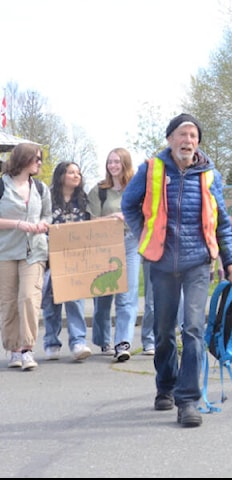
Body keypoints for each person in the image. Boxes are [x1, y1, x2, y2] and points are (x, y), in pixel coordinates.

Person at [122, 113, 232, 428]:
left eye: (193, 136)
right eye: (182, 135)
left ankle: (187, 400)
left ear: (198, 142)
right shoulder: (151, 169)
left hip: (197, 263)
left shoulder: (209, 174)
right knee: (163, 333)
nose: (187, 141)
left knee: (192, 329)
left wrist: (231, 259)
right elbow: (128, 205)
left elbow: (222, 222)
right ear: (170, 139)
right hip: (161, 263)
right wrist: (144, 236)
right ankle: (166, 386)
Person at [88, 147, 144, 361]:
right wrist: (112, 217)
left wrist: (128, 219)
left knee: (127, 296)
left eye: (117, 162)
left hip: (130, 243)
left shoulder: (136, 189)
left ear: (125, 164)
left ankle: (123, 342)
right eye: (110, 162)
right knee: (103, 297)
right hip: (105, 244)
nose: (112, 165)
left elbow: (145, 216)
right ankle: (103, 341)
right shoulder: (99, 191)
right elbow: (91, 222)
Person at [0, 143, 51, 371]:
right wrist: (19, 224)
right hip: (5, 252)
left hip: (35, 251)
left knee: (29, 298)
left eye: (40, 159)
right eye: (36, 159)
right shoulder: (2, 186)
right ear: (23, 159)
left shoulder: (40, 188)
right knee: (9, 302)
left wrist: (42, 224)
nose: (39, 163)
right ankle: (13, 349)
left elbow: (48, 215)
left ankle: (27, 349)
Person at [41, 161, 92, 361]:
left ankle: (78, 341)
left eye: (78, 172)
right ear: (61, 175)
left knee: (75, 300)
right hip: (51, 257)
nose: (76, 176)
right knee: (52, 302)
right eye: (71, 172)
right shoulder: (48, 197)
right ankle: (51, 342)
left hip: (76, 259)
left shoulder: (83, 200)